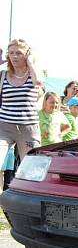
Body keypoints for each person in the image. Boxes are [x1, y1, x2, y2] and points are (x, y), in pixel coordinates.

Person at [0, 39, 44, 189]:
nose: (14, 56)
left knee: (33, 169)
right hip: (4, 127)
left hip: (28, 128)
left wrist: (31, 63)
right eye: (11, 53)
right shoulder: (3, 75)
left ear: (27, 55)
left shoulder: (34, 74)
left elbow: (38, 82)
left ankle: (30, 201)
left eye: (19, 53)